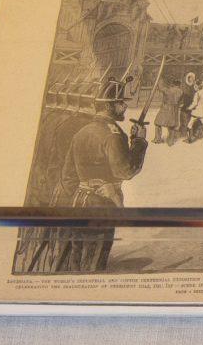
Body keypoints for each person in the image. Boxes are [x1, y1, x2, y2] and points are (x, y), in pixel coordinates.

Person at [48, 81, 148, 273]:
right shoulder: (113, 134)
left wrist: (81, 192)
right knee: (95, 260)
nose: (124, 106)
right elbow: (125, 171)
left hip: (78, 203)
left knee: (75, 259)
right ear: (109, 106)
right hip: (102, 205)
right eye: (120, 102)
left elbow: (67, 177)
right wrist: (139, 142)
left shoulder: (81, 132)